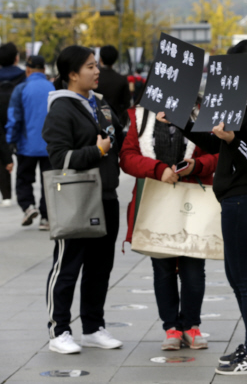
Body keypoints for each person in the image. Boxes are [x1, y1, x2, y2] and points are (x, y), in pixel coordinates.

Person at [157, 39, 247, 375]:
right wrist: (180, 120)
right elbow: (213, 141)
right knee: (237, 276)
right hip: (235, 201)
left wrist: (233, 140)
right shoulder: (239, 104)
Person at [42, 45, 124, 354]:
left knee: (100, 266)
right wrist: (98, 151)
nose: (97, 70)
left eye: (96, 65)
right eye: (90, 66)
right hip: (76, 198)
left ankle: (93, 326)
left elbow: (118, 134)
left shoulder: (98, 103)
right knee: (67, 266)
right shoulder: (61, 109)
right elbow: (59, 158)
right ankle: (59, 329)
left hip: (106, 194)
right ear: (73, 74)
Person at [119, 98, 218, 351]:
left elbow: (218, 153)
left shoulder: (201, 114)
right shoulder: (139, 117)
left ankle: (191, 325)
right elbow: (127, 157)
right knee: (162, 268)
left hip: (192, 203)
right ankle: (171, 327)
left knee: (194, 267)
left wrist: (197, 165)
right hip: (156, 202)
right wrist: (157, 169)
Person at [5, 55, 54, 229]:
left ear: (27, 70)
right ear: (43, 70)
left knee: (24, 179)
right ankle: (46, 218)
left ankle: (28, 207)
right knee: (49, 181)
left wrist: (10, 140)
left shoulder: (21, 89)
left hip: (27, 145)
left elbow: (14, 118)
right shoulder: (53, 88)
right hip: (50, 145)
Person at [0, 42, 26, 206]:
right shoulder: (24, 76)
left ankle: (6, 195)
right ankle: (23, 190)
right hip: (19, 119)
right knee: (23, 155)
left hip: (0, 119)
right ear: (17, 58)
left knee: (1, 152)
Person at [95, 45, 131, 125]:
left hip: (97, 119)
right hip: (116, 120)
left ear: (100, 59)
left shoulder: (94, 78)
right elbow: (126, 104)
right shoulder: (121, 79)